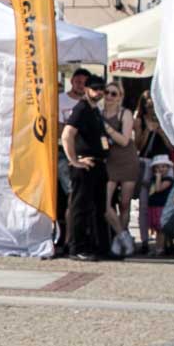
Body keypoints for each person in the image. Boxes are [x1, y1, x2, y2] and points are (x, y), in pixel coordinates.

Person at [60, 74, 114, 260]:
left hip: (98, 164)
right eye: (95, 89)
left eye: (102, 89)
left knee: (98, 208)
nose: (99, 92)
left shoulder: (94, 110)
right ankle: (77, 248)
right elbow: (67, 134)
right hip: (85, 165)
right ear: (86, 89)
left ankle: (99, 247)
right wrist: (74, 160)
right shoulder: (81, 108)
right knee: (80, 207)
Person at [101, 82, 141, 254]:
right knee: (105, 203)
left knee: (125, 204)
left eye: (114, 94)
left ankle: (120, 242)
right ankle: (123, 235)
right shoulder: (99, 113)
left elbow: (125, 140)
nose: (109, 96)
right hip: (109, 161)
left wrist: (107, 128)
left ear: (120, 97)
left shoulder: (125, 113)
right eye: (107, 92)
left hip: (126, 159)